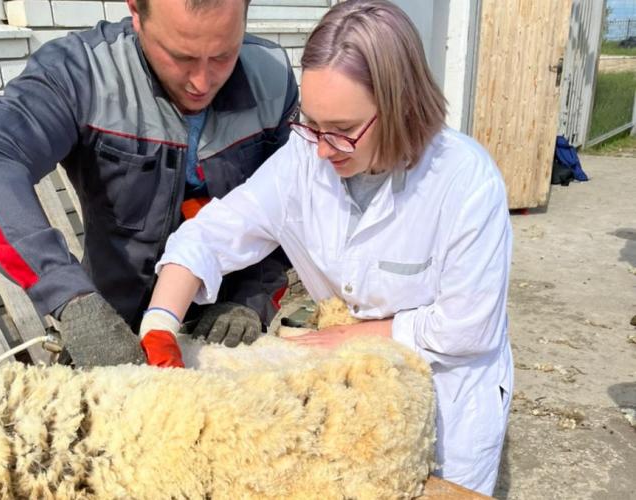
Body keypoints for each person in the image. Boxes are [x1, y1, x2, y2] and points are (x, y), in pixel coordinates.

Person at [137, 0, 514, 494]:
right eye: (311, 122)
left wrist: (354, 336)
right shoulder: (305, 158)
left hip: (450, 398)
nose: (320, 147)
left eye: (342, 130)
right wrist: (161, 321)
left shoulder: (465, 182)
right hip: (357, 396)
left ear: (401, 105)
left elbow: (470, 327)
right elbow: (213, 233)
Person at [0, 0, 298, 367]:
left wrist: (251, 300)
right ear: (137, 14)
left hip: (225, 336)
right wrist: (73, 302)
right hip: (108, 331)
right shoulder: (80, 75)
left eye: (223, 55)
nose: (201, 83)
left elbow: (290, 204)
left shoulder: (270, 77)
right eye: (181, 57)